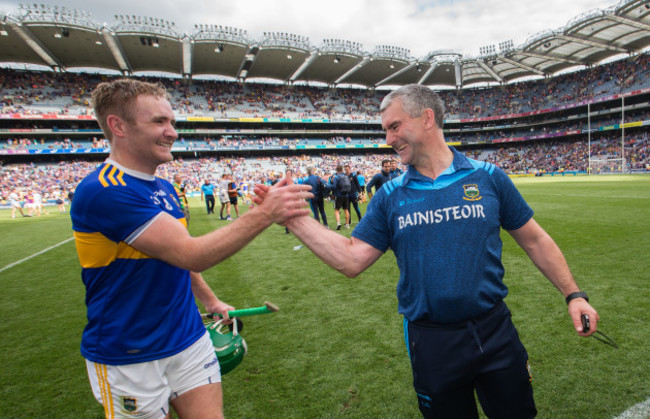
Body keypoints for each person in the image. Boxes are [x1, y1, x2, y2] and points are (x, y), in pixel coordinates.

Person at [279, 84, 600, 418]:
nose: (388, 139)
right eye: (386, 130)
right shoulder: (389, 195)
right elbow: (351, 259)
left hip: (496, 330)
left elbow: (534, 239)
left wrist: (573, 294)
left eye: (394, 126)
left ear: (427, 118)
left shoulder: (488, 176)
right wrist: (295, 219)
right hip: (432, 342)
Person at [71, 78, 312, 419]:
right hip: (129, 351)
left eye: (172, 122)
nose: (172, 132)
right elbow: (191, 253)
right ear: (117, 125)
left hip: (188, 336)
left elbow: (176, 259)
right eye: (159, 121)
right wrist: (265, 213)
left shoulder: (165, 188)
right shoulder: (105, 190)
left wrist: (210, 300)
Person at [331, 164, 351, 230]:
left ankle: (338, 223)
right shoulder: (346, 176)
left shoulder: (336, 177)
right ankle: (347, 224)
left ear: (337, 170)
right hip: (346, 195)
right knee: (346, 210)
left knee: (337, 210)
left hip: (339, 195)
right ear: (342, 169)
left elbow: (334, 187)